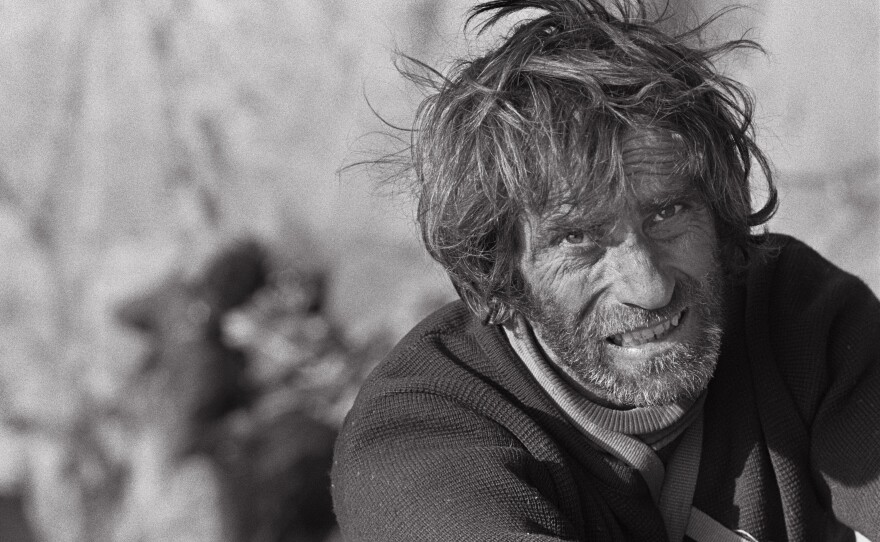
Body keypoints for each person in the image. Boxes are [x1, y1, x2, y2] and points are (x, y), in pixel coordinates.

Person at [331, 1, 880, 540]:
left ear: (717, 208)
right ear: (498, 271)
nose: (650, 287)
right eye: (577, 239)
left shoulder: (801, 317)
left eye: (668, 213)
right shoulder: (422, 436)